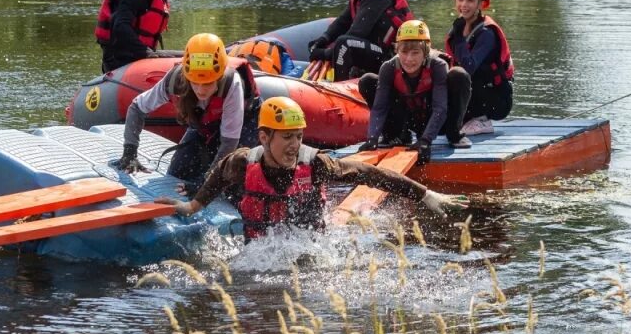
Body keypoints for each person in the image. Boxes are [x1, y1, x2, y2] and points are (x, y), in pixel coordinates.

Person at [155, 96, 468, 240]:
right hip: (258, 252)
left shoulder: (316, 164)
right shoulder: (241, 162)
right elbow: (215, 181)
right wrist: (190, 206)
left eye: (299, 137)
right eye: (287, 138)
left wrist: (424, 194)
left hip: (311, 248)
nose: (294, 145)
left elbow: (370, 174)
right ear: (264, 137)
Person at [118, 33, 260, 193]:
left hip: (244, 126)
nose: (200, 90)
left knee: (233, 182)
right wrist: (130, 152)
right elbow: (137, 108)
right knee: (178, 173)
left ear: (219, 76)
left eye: (207, 83)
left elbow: (228, 143)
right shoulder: (174, 80)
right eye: (195, 82)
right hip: (205, 124)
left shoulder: (231, 84)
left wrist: (207, 184)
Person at [356, 20, 472, 165]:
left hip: (435, 119)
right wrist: (372, 138)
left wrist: (425, 141)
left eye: (415, 53)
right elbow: (379, 107)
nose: (409, 59)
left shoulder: (438, 66)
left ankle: (454, 134)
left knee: (459, 75)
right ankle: (396, 135)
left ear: (426, 52)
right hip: (407, 119)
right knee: (367, 80)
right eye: (404, 52)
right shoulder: (388, 68)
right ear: (397, 50)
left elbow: (440, 108)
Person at [308, 0, 415, 82]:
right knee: (331, 42)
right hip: (375, 51)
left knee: (344, 43)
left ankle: (339, 87)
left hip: (391, 57)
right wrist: (320, 42)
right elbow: (342, 22)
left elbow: (357, 34)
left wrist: (325, 53)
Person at [444, 0, 514, 135]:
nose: (464, 5)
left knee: (463, 75)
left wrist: (460, 38)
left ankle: (483, 120)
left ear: (481, 4)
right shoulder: (458, 28)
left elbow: (468, 68)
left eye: (470, 0)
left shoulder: (487, 33)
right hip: (474, 95)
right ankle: (465, 117)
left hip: (496, 99)